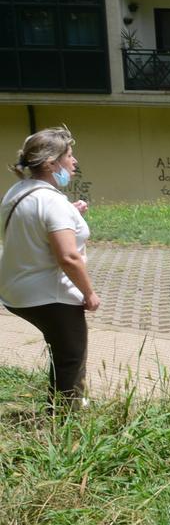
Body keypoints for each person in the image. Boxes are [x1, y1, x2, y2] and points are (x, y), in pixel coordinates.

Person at [0, 126, 100, 408]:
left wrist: (72, 212)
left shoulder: (18, 191)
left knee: (62, 351)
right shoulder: (52, 202)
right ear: (50, 163)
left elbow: (35, 224)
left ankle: (61, 407)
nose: (74, 161)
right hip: (50, 295)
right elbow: (68, 257)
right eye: (69, 155)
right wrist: (89, 294)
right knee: (71, 356)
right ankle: (65, 422)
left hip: (15, 292)